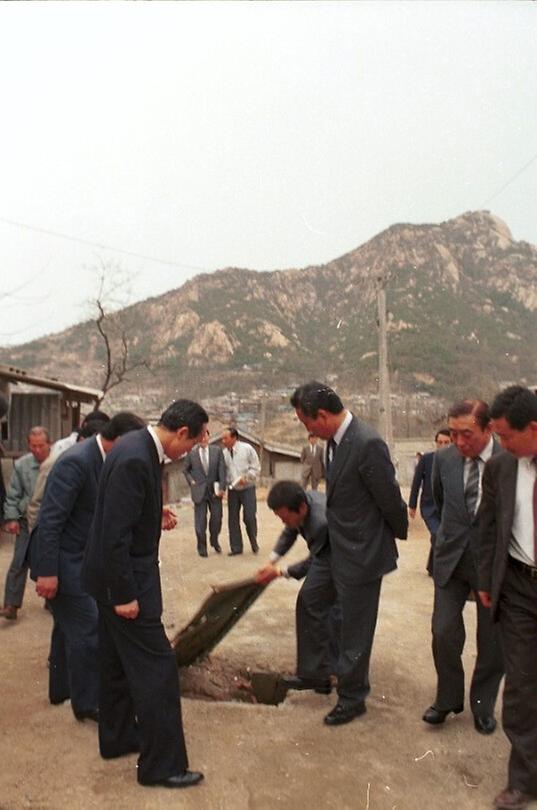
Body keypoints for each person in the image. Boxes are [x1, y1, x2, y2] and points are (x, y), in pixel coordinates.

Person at [82, 399, 207, 789]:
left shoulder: (134, 447)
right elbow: (114, 534)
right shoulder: (138, 458)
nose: (189, 453)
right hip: (124, 584)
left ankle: (118, 738)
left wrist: (155, 515)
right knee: (159, 671)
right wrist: (125, 595)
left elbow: (121, 515)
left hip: (109, 579)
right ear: (181, 432)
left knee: (116, 664)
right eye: (192, 444)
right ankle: (162, 766)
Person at [290, 382, 408, 725]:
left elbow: (389, 498)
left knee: (355, 628)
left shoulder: (366, 443)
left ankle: (353, 696)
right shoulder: (332, 443)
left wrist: (387, 539)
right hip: (335, 547)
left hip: (361, 552)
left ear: (322, 416)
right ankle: (316, 672)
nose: (306, 429)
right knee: (310, 600)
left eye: (306, 422)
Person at [32, 412, 146, 722]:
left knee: (64, 627)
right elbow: (50, 521)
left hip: (82, 559)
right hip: (64, 560)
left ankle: (61, 689)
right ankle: (87, 702)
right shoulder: (76, 462)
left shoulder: (106, 459)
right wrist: (48, 572)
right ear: (120, 439)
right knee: (88, 629)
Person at [422, 399, 504, 734]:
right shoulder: (443, 460)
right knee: (443, 632)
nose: (458, 442)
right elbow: (436, 502)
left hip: (494, 565)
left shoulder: (509, 460)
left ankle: (482, 706)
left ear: (489, 429)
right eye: (453, 434)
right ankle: (448, 698)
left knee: (492, 639)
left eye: (466, 434)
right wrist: (442, 533)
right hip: (451, 558)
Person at [477, 386, 537, 810]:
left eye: (506, 435)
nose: (500, 443)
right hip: (518, 587)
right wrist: (484, 579)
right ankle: (524, 780)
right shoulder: (500, 468)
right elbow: (485, 528)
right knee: (520, 687)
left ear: (533, 428)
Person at [257, 480, 340, 683]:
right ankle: (327, 670)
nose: (283, 522)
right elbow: (290, 530)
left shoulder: (320, 523)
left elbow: (314, 561)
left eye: (284, 518)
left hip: (346, 559)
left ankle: (317, 674)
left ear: (302, 508)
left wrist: (279, 572)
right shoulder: (303, 502)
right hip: (332, 553)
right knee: (327, 608)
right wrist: (271, 561)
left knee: (311, 600)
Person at [0, 426, 51, 620]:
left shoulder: (58, 463)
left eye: (41, 446)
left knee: (52, 562)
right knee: (18, 562)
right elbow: (13, 495)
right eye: (33, 446)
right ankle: (11, 604)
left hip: (51, 522)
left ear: (49, 444)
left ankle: (53, 602)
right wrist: (11, 518)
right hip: (26, 520)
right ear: (28, 445)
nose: (37, 450)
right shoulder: (21, 465)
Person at [408, 428, 451, 575]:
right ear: (436, 443)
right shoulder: (427, 459)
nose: (443, 445)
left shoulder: (457, 460)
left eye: (446, 442)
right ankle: (440, 569)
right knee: (437, 534)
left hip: (447, 507)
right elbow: (416, 481)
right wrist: (412, 505)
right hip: (429, 507)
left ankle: (432, 566)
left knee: (440, 535)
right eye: (440, 442)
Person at [183, 430, 226, 556]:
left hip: (214, 491)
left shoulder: (217, 451)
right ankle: (202, 547)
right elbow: (185, 470)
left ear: (209, 437)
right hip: (199, 492)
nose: (203, 439)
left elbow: (222, 470)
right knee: (200, 522)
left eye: (205, 436)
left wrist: (222, 487)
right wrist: (191, 481)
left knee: (217, 519)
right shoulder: (192, 453)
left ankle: (214, 540)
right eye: (200, 437)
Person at [221, 427, 261, 556]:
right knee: (233, 519)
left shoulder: (247, 449)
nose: (223, 441)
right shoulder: (224, 453)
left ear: (234, 438)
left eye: (225, 438)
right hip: (233, 490)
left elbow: (256, 468)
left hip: (247, 488)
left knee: (249, 517)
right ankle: (236, 547)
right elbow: (224, 473)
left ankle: (253, 541)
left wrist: (247, 477)